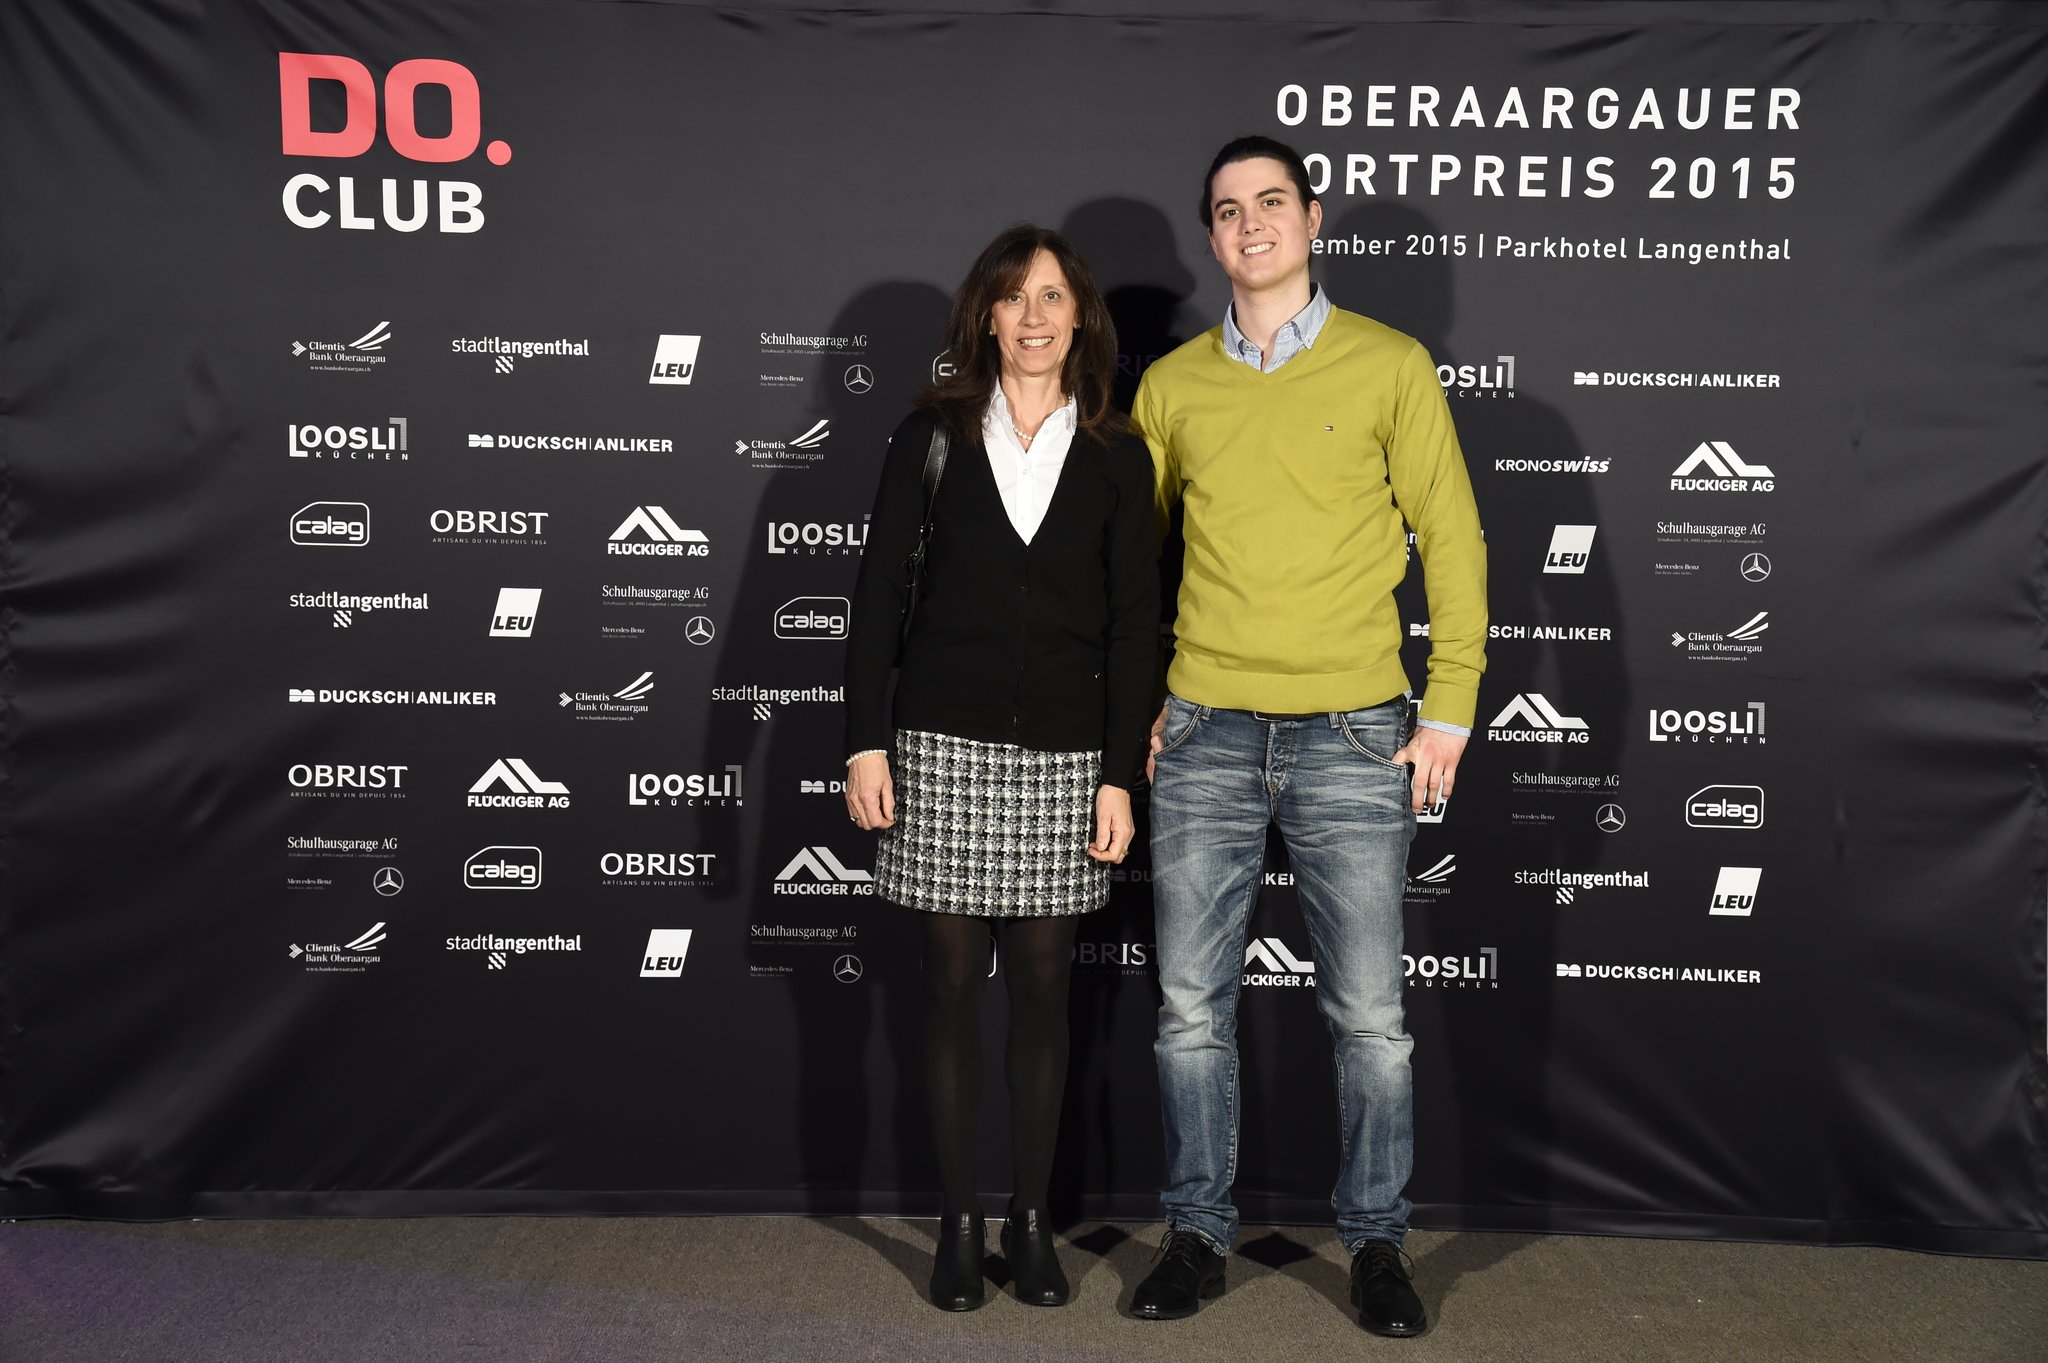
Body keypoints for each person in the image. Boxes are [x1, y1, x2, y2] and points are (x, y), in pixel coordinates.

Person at [1127, 136, 1487, 1337]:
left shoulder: (1390, 364)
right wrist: (1143, 701)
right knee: (1189, 1009)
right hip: (1205, 730)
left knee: (1369, 1018)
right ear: (1211, 234)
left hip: (1353, 731)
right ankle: (1193, 1233)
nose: (1250, 224)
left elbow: (1452, 537)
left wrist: (1448, 704)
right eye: (1227, 209)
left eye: (1270, 201)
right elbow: (1135, 564)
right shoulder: (1170, 385)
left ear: (1312, 218)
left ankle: (1377, 1243)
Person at [842, 224, 1158, 1312]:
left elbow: (1135, 625)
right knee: (945, 989)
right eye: (1014, 297)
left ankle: (1028, 1221)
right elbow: (879, 595)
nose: (1033, 317)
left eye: (1052, 297)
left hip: (1068, 759)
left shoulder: (1117, 452)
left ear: (1080, 317)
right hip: (938, 749)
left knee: (1041, 990)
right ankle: (958, 1221)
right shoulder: (930, 435)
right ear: (985, 314)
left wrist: (1118, 775)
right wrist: (864, 739)